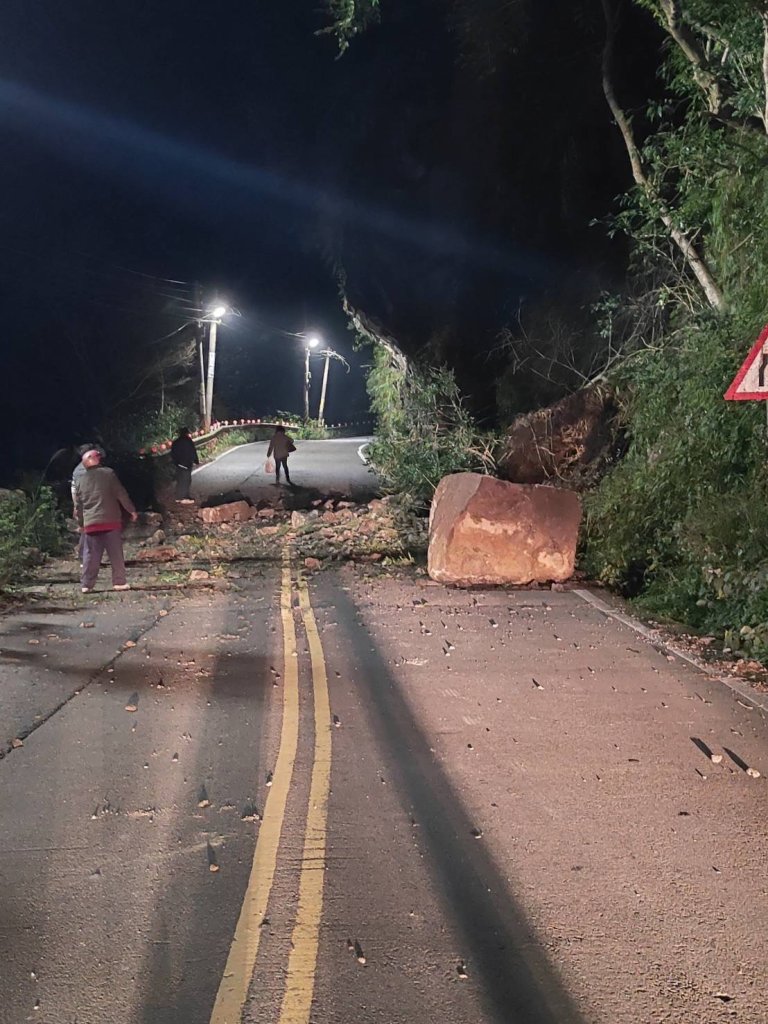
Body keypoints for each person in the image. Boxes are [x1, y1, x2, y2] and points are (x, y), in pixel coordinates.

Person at [73, 449, 138, 593]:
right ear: (96, 460)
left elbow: (79, 506)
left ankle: (86, 585)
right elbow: (121, 493)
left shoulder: (80, 480)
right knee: (115, 553)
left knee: (90, 556)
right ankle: (119, 582)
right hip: (111, 522)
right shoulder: (108, 474)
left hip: (91, 524)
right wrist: (131, 510)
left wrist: (82, 525)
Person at [170, 426, 199, 503]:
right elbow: (193, 451)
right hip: (186, 463)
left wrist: (175, 462)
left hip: (179, 464)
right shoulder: (188, 441)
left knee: (180, 480)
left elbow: (173, 453)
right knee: (186, 480)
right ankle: (184, 496)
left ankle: (178, 496)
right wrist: (196, 461)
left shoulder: (176, 442)